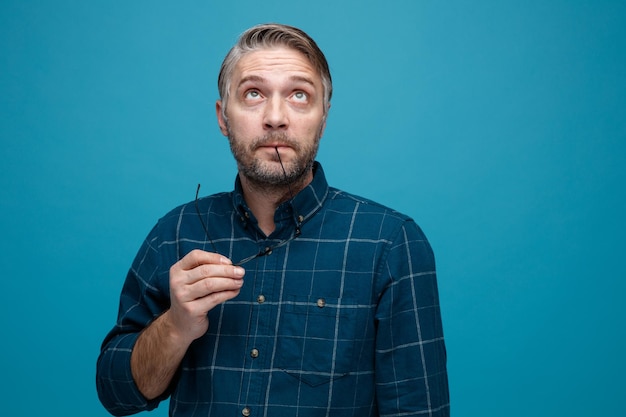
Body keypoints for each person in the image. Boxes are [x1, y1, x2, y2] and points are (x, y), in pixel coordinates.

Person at [96, 23, 449, 417]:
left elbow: (419, 411)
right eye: (253, 94)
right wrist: (175, 327)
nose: (275, 117)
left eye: (299, 95)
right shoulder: (175, 234)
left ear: (324, 117)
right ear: (223, 117)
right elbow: (116, 394)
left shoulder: (391, 244)